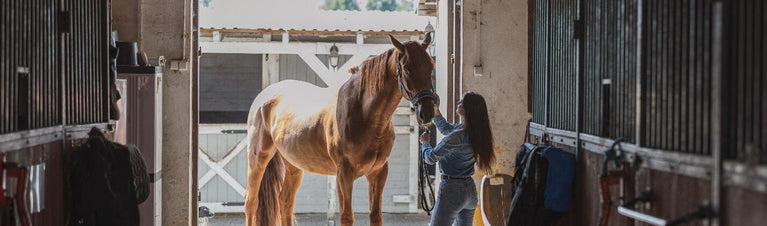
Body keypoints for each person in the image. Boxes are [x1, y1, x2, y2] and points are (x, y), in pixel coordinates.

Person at [419, 92, 496, 226]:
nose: (458, 103)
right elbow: (447, 128)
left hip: (452, 190)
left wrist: (425, 143)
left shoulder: (457, 137)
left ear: (467, 109)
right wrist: (436, 113)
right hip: (469, 192)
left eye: (461, 102)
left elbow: (430, 158)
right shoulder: (475, 132)